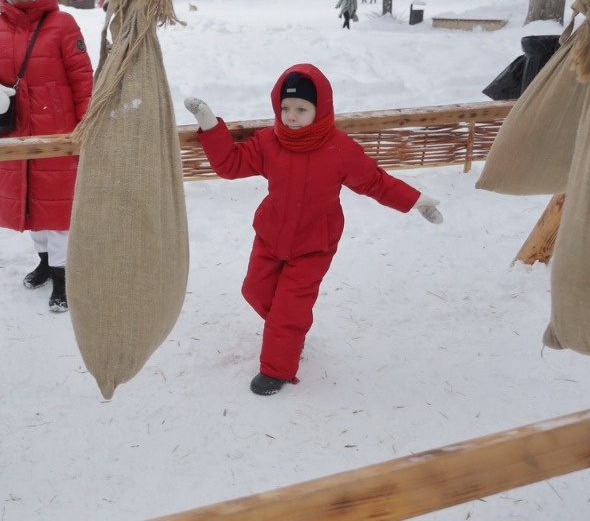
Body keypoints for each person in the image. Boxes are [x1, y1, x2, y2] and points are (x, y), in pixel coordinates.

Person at [183, 64, 443, 396]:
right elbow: (230, 164)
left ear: (320, 111)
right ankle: (289, 335)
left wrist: (417, 200)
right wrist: (209, 124)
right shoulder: (268, 142)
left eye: (301, 109)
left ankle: (277, 368)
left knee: (288, 311)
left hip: (313, 245)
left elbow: (375, 182)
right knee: (255, 291)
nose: (291, 116)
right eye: (286, 108)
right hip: (271, 236)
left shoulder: (339, 149)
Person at [0, 0, 93, 313]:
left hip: (58, 133)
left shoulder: (63, 23)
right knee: (29, 205)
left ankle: (63, 276)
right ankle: (44, 262)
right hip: (13, 130)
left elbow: (83, 79)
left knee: (56, 209)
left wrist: (84, 128)